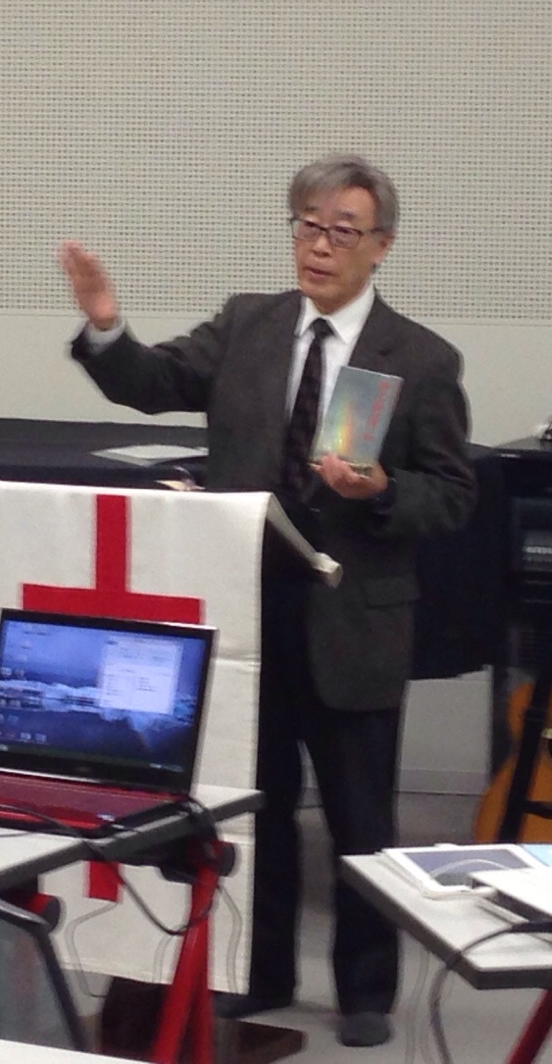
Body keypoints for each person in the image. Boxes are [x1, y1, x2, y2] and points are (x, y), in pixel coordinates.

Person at [59, 153, 475, 1048]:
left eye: (341, 232)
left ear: (381, 247)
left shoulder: (421, 358)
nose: (319, 246)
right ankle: (262, 972)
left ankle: (365, 989)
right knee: (260, 809)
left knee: (362, 820)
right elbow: (153, 384)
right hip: (250, 610)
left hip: (351, 618)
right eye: (307, 226)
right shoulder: (248, 324)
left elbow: (452, 495)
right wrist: (105, 326)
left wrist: (381, 491)